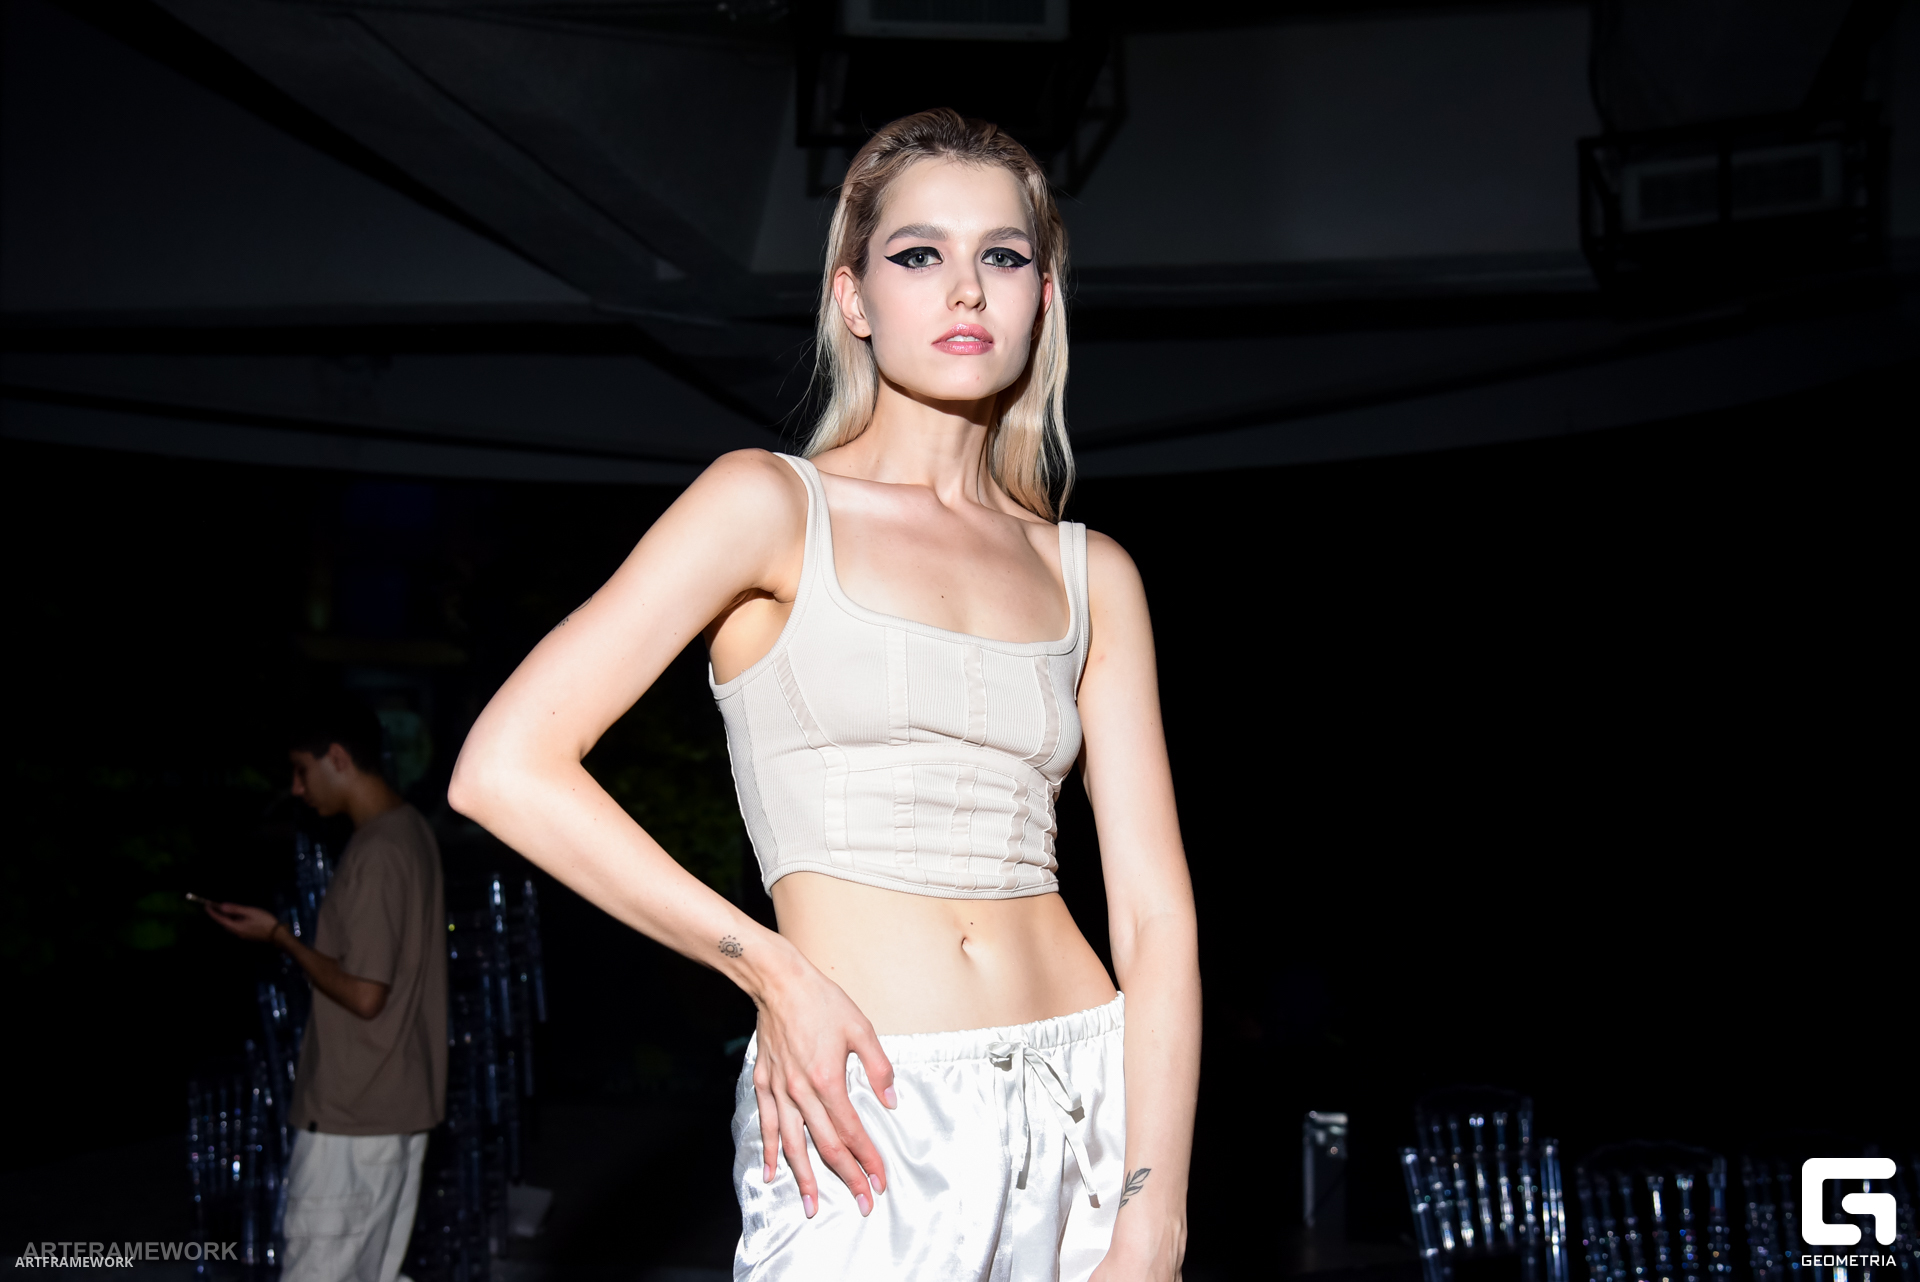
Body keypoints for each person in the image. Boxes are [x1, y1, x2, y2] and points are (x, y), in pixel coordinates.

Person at [450, 108, 1199, 1282]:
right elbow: (504, 768)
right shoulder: (765, 506)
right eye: (920, 253)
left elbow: (1155, 921)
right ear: (854, 297)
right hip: (868, 1108)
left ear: (1042, 297)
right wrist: (767, 966)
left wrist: (1154, 1219)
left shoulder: (1091, 572)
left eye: (1003, 256)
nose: (966, 288)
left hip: (1087, 1106)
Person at [206, 699, 447, 1282]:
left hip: (354, 1114)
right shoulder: (411, 830)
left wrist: (280, 938)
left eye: (301, 769)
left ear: (337, 758)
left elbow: (366, 994)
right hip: (393, 1106)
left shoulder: (379, 851)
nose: (296, 788)